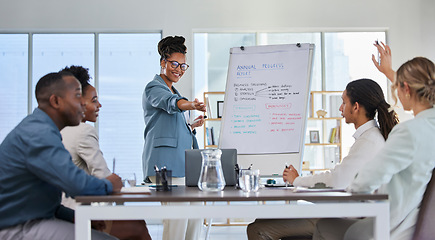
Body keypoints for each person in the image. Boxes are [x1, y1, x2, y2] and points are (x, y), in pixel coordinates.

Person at [246, 78, 399, 240]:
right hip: (349, 214)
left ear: (356, 107)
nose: (340, 108)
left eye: (343, 102)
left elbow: (337, 180)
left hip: (348, 219)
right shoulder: (371, 138)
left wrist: (297, 180)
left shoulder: (369, 141)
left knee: (258, 229)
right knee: (261, 222)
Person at [313, 43, 435, 240]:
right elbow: (419, 89)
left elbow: (365, 182)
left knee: (327, 226)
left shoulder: (408, 132)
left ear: (405, 88)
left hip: (391, 228)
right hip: (419, 226)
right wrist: (388, 72)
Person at [0, 71, 122, 240]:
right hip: (15, 228)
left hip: (27, 220)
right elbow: (77, 185)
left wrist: (73, 217)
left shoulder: (42, 129)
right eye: (77, 95)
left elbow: (42, 201)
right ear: (56, 101)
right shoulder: (38, 134)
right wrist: (110, 184)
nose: (83, 103)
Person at [60, 65, 152, 240]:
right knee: (137, 226)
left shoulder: (60, 128)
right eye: (94, 100)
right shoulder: (83, 131)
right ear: (79, 102)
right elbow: (104, 177)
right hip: (76, 214)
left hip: (60, 210)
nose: (99, 105)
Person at [142, 36, 206, 240]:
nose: (179, 69)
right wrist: (191, 105)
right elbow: (171, 103)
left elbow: (171, 122)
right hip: (165, 167)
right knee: (177, 219)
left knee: (196, 215)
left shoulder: (173, 90)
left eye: (183, 65)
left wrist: (190, 126)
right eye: (174, 64)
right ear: (163, 63)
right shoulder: (154, 87)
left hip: (183, 166)